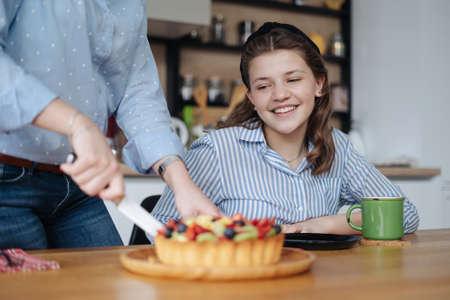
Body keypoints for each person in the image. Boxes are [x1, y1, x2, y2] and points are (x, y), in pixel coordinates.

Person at [151, 22, 419, 235]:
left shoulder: (339, 148)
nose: (280, 95)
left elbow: (405, 214)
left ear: (319, 84)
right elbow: (161, 227)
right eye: (264, 86)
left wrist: (325, 225)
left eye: (292, 79)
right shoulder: (216, 151)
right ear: (252, 98)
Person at [0, 1, 220, 250]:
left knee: (113, 285)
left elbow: (137, 92)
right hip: (7, 180)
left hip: (78, 186)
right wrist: (77, 123)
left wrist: (182, 185)